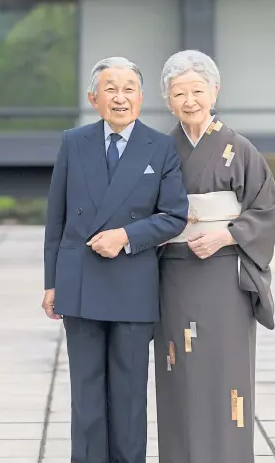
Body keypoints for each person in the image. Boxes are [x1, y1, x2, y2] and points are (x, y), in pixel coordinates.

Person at [42, 56, 188, 463]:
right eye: (110, 88)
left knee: (128, 397)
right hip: (80, 283)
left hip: (132, 284)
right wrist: (51, 283)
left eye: (128, 89)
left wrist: (126, 236)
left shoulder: (160, 147)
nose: (119, 97)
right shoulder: (74, 141)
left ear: (141, 98)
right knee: (85, 397)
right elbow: (56, 217)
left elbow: (175, 215)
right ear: (94, 97)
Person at [154, 50, 275, 463]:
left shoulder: (238, 149)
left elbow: (265, 209)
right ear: (167, 100)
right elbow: (138, 210)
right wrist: (167, 220)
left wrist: (226, 235)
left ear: (215, 91)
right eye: (179, 93)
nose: (189, 101)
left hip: (224, 277)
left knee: (227, 377)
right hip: (174, 275)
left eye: (197, 90)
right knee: (178, 372)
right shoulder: (158, 151)